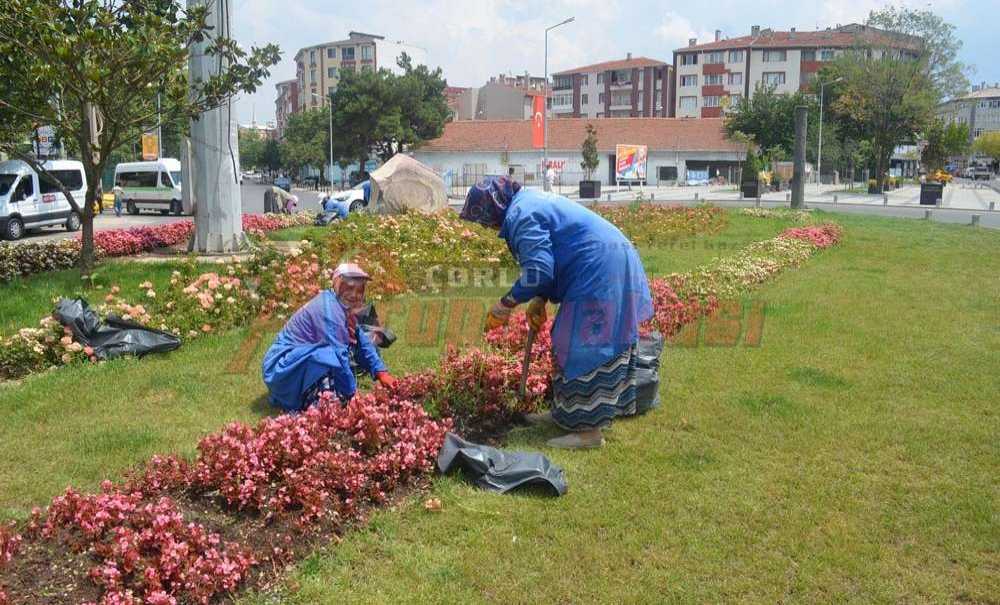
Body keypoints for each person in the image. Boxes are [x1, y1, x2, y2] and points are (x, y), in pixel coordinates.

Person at [460, 177, 653, 449]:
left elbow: (539, 269)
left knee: (585, 346)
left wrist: (506, 304)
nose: (486, 226)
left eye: (483, 219)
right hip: (601, 262)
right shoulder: (525, 204)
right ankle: (566, 415)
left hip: (600, 268)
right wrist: (540, 298)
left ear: (493, 208)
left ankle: (589, 433)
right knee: (565, 340)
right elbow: (550, 257)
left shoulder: (521, 215)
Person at [262, 263, 397, 413]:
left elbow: (362, 341)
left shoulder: (342, 306)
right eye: (349, 287)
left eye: (359, 289)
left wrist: (381, 373)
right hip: (282, 369)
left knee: (362, 346)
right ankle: (318, 404)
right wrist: (353, 396)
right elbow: (339, 355)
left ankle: (334, 396)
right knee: (329, 357)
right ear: (337, 284)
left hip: (300, 359)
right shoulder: (329, 309)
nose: (354, 294)